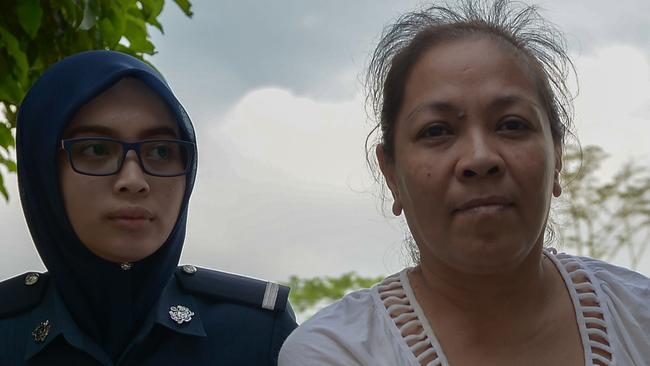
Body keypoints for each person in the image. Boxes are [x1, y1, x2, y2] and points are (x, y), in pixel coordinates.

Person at [279, 1, 650, 365]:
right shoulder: (338, 351)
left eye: (512, 124)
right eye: (436, 130)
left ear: (557, 159)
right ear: (391, 175)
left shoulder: (639, 316)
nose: (480, 158)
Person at [0, 50, 297, 365]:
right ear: (42, 170)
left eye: (160, 151)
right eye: (96, 149)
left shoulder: (257, 334)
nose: (133, 180)